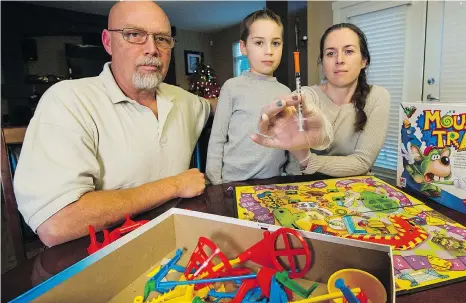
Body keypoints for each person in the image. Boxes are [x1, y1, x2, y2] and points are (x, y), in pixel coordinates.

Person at [13, 1, 211, 247]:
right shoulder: (67, 100)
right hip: (96, 258)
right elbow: (57, 223)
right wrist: (175, 184)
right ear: (107, 42)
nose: (152, 49)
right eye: (134, 34)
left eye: (162, 38)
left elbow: (213, 105)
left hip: (177, 243)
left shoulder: (182, 100)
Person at [206, 9, 331, 185]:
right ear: (243, 47)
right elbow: (217, 138)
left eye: (276, 43)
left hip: (275, 183)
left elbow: (292, 140)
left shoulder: (286, 92)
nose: (269, 51)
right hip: (232, 182)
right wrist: (216, 181)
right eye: (259, 43)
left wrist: (293, 176)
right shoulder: (231, 87)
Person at [286, 23, 390, 177]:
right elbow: (294, 167)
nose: (339, 60)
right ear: (322, 63)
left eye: (348, 51)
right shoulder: (305, 96)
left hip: (353, 192)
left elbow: (362, 162)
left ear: (364, 61)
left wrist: (308, 161)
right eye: (330, 53)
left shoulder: (377, 96)